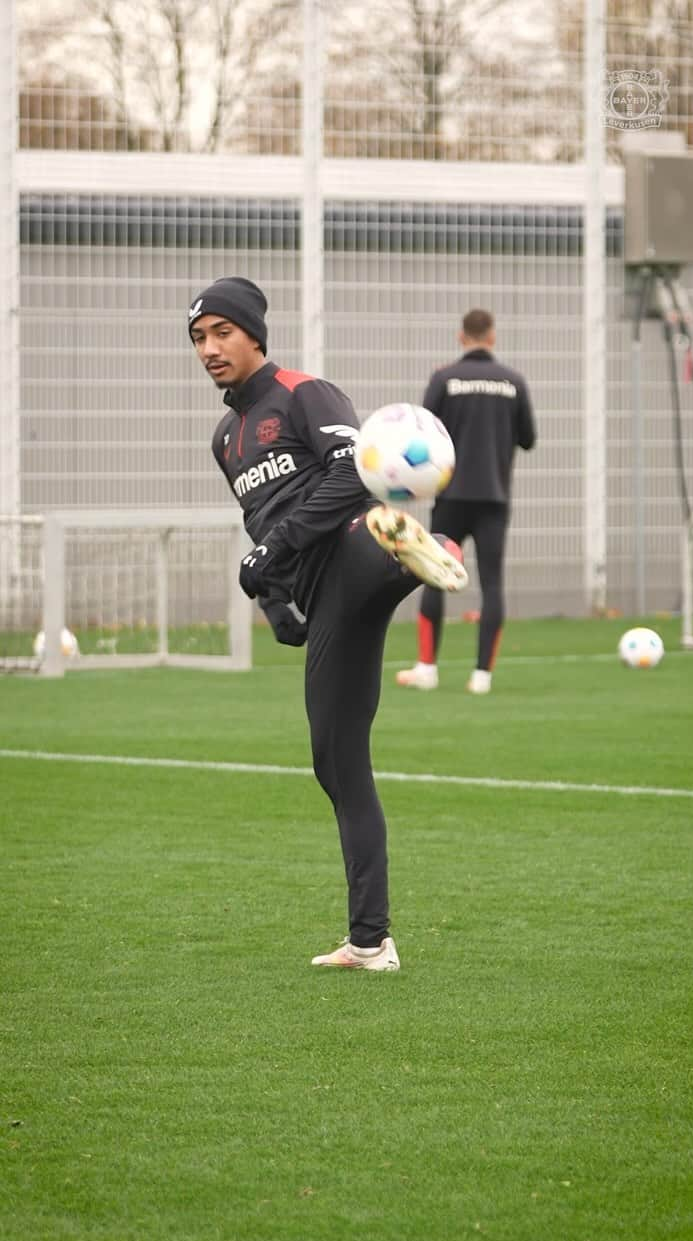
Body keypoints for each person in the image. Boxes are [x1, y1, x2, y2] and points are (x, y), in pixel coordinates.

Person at [188, 276, 468, 972]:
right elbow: (260, 528)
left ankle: (404, 551)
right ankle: (369, 942)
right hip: (327, 596)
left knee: (365, 534)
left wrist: (275, 550)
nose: (210, 348)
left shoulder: (305, 393)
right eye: (198, 338)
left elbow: (352, 473)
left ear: (255, 333)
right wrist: (277, 605)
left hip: (350, 545)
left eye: (223, 332)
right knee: (336, 763)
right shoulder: (226, 440)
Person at [397, 308, 536, 695]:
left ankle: (427, 668)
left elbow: (423, 433)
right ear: (492, 337)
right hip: (494, 495)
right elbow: (528, 438)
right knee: (492, 584)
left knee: (433, 575)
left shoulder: (444, 378)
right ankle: (482, 677)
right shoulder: (513, 381)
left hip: (451, 495)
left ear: (462, 337)